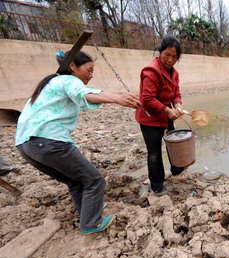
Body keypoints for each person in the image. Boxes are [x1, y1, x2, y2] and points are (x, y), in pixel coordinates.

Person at [15, 50, 140, 234]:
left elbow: (83, 98)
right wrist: (119, 98)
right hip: (49, 142)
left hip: (25, 146)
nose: (91, 75)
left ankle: (88, 210)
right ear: (73, 66)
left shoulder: (51, 83)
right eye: (88, 70)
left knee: (75, 181)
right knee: (95, 180)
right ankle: (90, 223)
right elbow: (84, 93)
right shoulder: (69, 80)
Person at [136, 35, 186, 195]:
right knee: (154, 152)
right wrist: (167, 110)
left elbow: (176, 93)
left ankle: (177, 169)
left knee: (173, 143)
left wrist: (177, 105)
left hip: (166, 116)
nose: (170, 60)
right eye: (167, 55)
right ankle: (157, 185)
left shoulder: (174, 73)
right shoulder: (151, 71)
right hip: (150, 118)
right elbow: (147, 98)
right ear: (160, 52)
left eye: (174, 57)